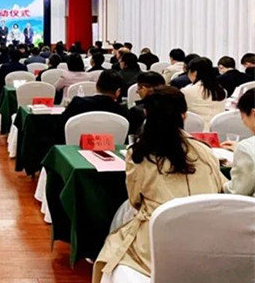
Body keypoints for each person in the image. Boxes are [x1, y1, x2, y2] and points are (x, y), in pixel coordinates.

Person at [93, 87, 225, 283]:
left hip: (157, 240)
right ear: (184, 115)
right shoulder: (205, 151)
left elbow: (135, 200)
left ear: (146, 114)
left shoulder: (139, 154)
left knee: (116, 239)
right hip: (207, 238)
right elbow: (220, 189)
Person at [62, 70, 128, 125]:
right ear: (118, 92)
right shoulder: (121, 111)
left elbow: (62, 124)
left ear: (96, 86)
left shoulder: (77, 103)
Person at [221, 89, 255, 196]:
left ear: (253, 114)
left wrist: (219, 179)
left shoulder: (246, 148)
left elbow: (237, 191)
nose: (242, 120)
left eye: (242, 115)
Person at [181, 57, 226, 129]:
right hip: (218, 131)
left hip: (195, 131)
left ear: (195, 73)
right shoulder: (222, 91)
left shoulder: (187, 91)